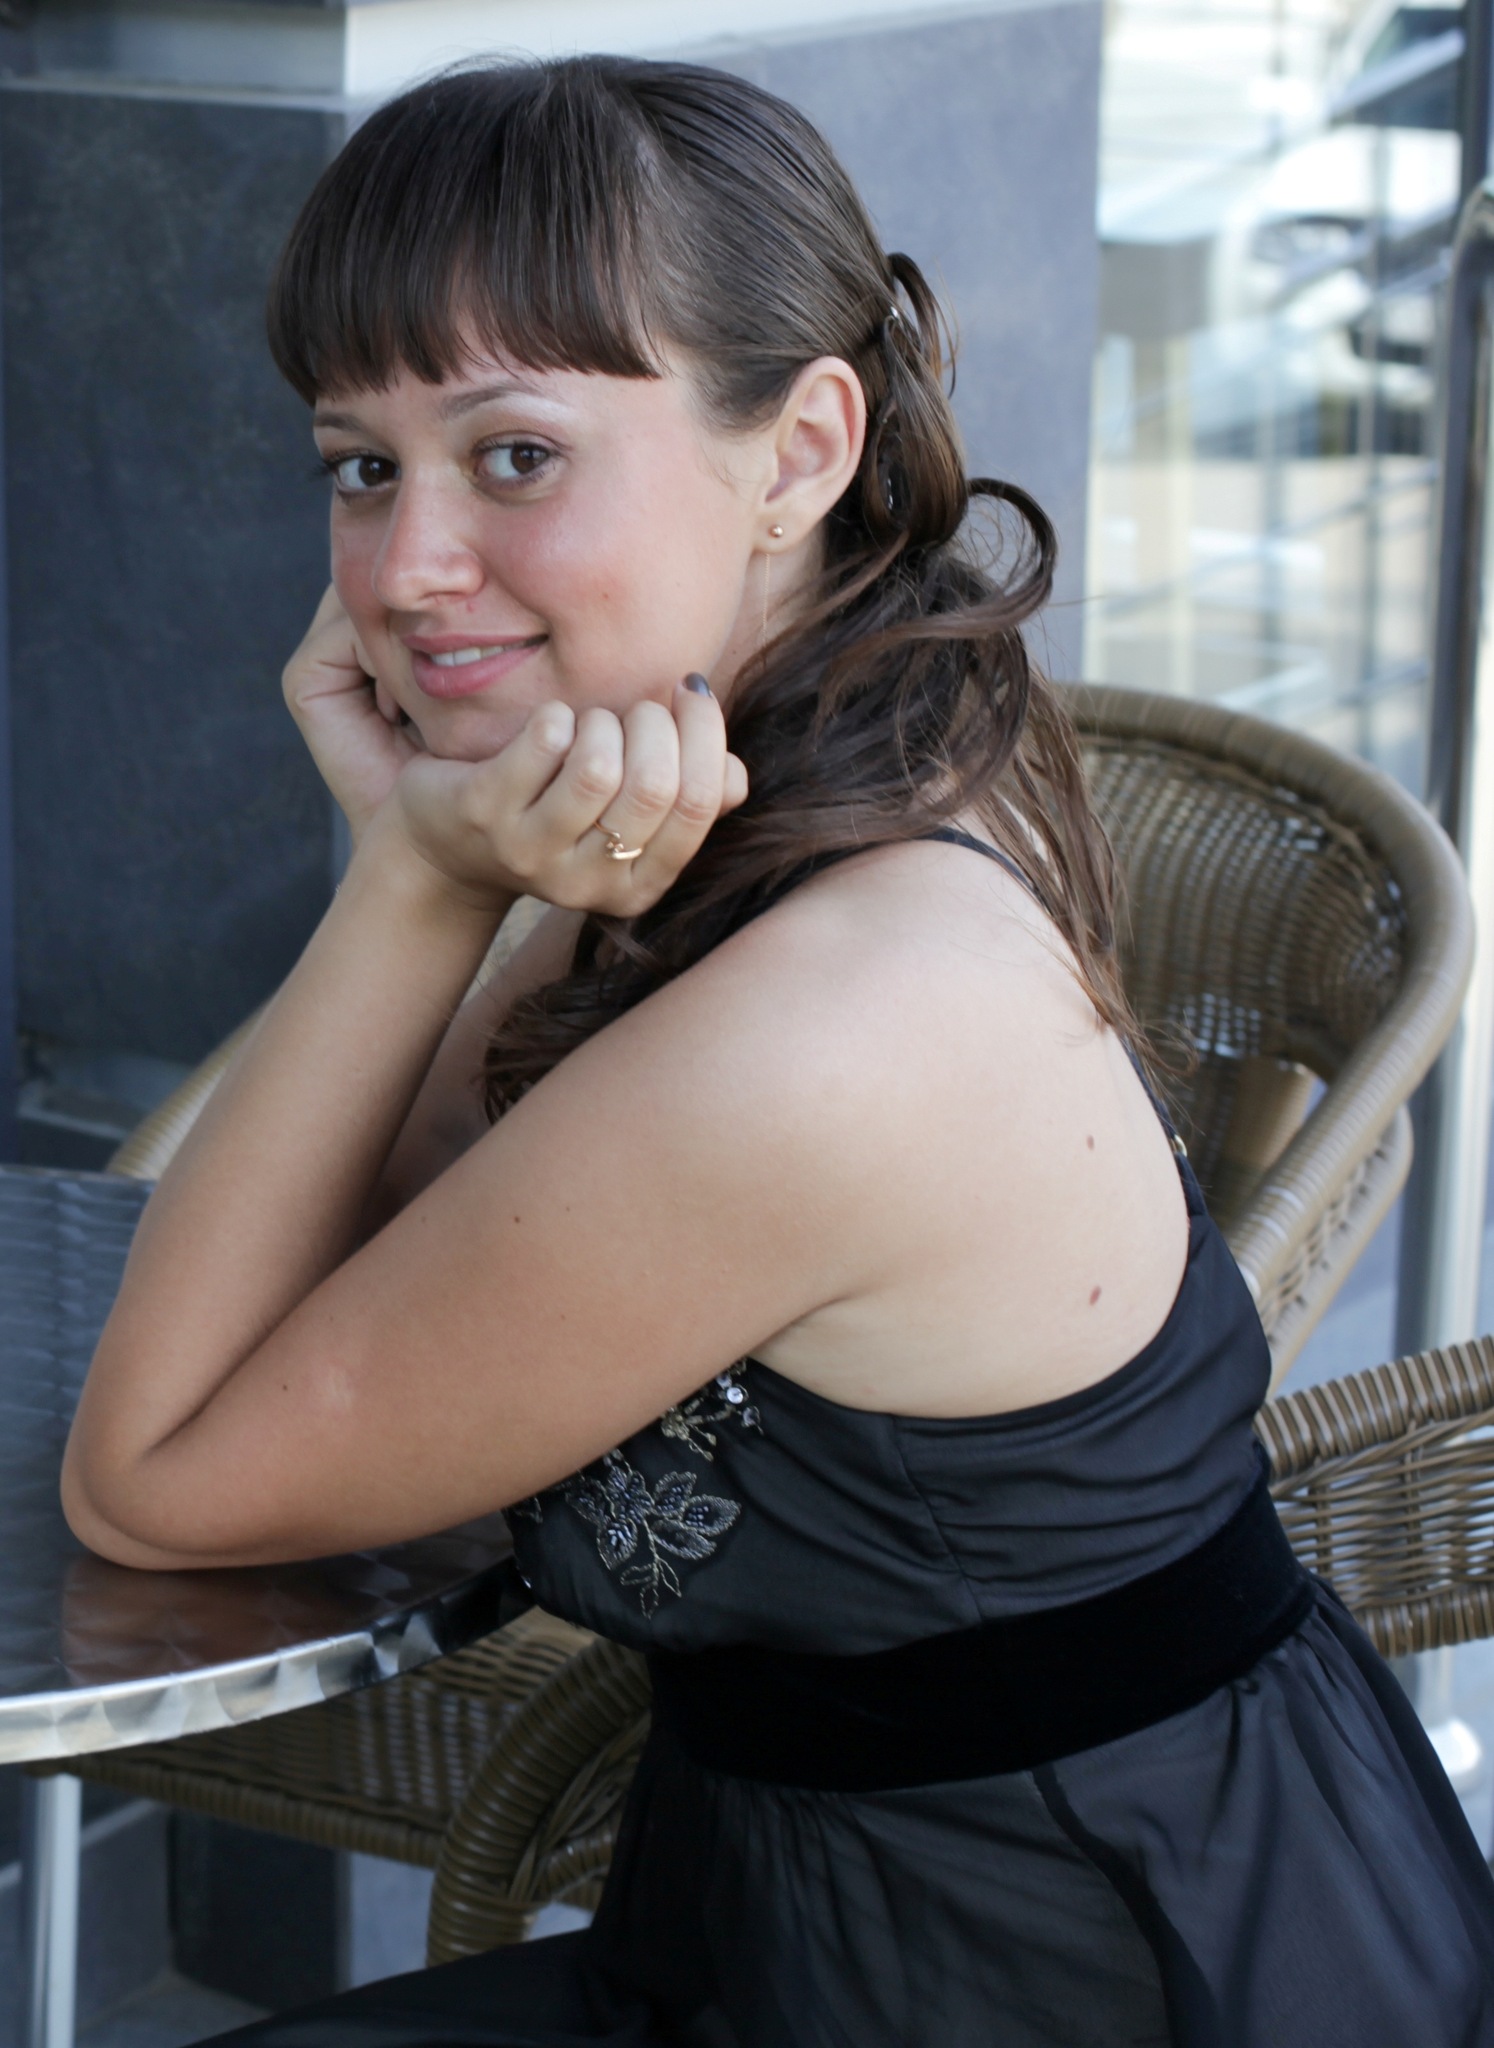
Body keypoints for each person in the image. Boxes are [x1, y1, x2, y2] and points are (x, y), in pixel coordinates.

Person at [61, 56, 1494, 2048]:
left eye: (514, 455)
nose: (401, 569)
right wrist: (455, 870)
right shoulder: (767, 774)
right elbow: (360, 1249)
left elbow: (154, 1482)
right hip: (824, 1928)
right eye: (361, 466)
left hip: (1100, 1972)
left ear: (802, 449)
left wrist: (412, 883)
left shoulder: (830, 1020)